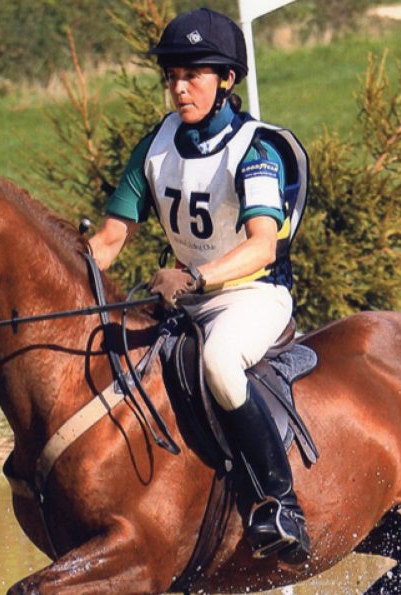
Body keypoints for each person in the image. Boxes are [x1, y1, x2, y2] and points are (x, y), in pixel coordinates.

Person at [87, 7, 310, 564]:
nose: (179, 88)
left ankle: (280, 504)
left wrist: (194, 277)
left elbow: (263, 244)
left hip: (253, 297)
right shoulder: (155, 147)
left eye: (193, 75)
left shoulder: (254, 150)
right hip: (188, 300)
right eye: (172, 76)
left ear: (227, 80)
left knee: (219, 365)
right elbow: (110, 241)